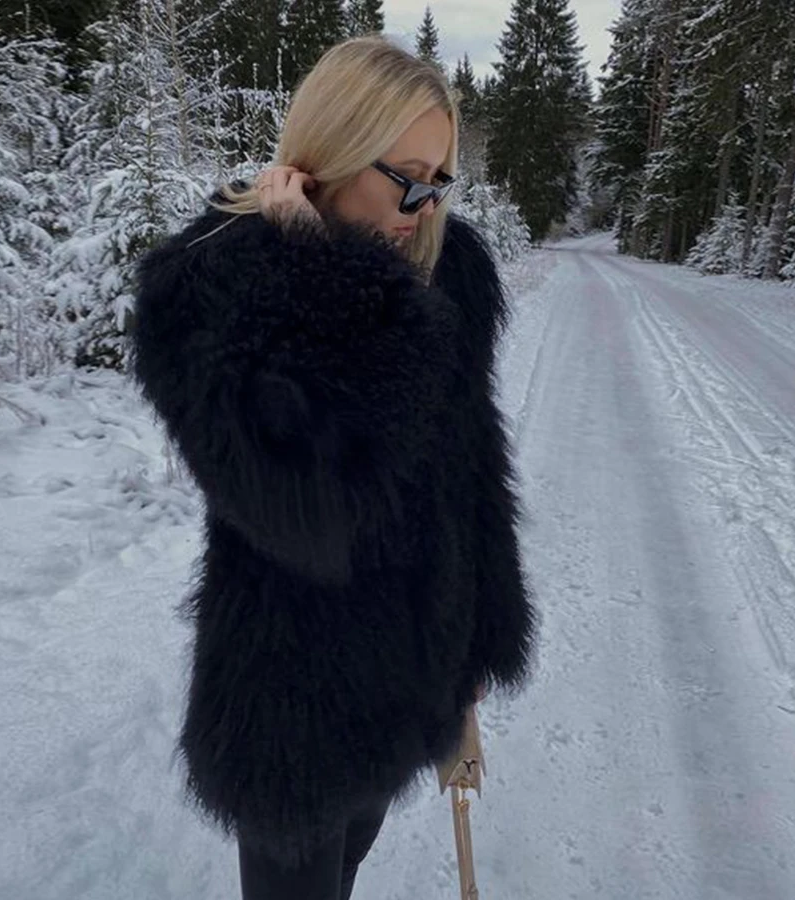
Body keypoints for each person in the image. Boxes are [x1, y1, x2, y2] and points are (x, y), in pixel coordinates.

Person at [131, 35, 536, 900]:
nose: (427, 206)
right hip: (293, 701)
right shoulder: (214, 283)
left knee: (349, 865)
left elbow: (465, 482)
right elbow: (307, 505)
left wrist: (470, 650)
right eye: (408, 177)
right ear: (335, 150)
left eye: (442, 179)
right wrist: (319, 280)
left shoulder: (446, 274)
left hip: (408, 680)